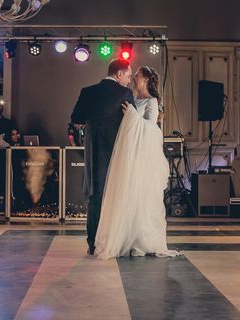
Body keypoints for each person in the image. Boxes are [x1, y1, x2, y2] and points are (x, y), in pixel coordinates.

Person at [94, 66, 180, 259]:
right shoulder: (132, 97)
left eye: (138, 75)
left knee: (143, 195)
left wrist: (132, 115)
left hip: (143, 157)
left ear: (146, 79)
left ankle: (143, 239)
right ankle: (128, 237)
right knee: (128, 192)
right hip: (130, 154)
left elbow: (152, 129)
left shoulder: (152, 101)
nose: (134, 77)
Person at [70, 59, 136, 255]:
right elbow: (132, 123)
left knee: (95, 196)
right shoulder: (125, 94)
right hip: (118, 152)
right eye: (128, 76)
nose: (129, 80)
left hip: (94, 152)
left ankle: (93, 243)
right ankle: (116, 240)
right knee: (118, 195)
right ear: (118, 75)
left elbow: (76, 118)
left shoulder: (87, 91)